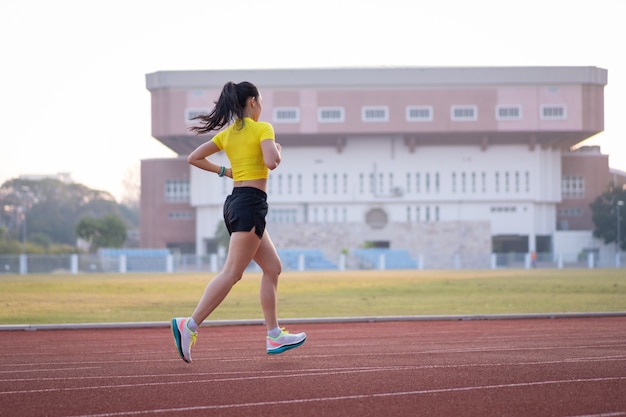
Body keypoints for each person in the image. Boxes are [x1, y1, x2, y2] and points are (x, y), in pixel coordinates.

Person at [171, 81, 306, 363]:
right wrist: (277, 148)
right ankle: (190, 325)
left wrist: (225, 171)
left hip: (237, 202)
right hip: (250, 204)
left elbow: (194, 158)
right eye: (261, 101)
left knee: (273, 267)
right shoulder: (263, 128)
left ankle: (274, 334)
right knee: (232, 273)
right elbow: (271, 162)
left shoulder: (228, 134)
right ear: (254, 101)